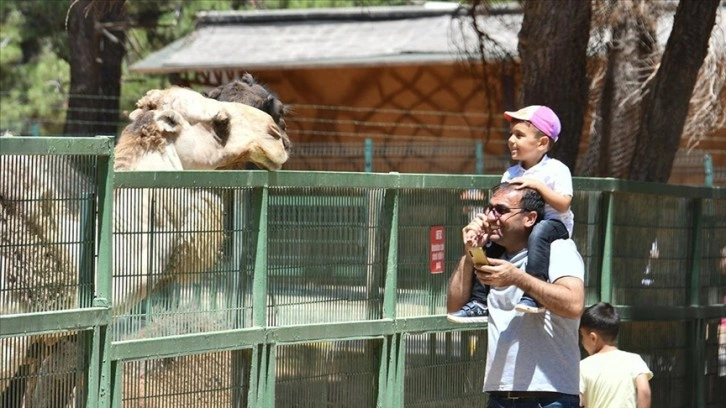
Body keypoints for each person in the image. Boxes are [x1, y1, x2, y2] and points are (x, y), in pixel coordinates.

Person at [447, 182, 585, 407]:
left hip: (548, 396)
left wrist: (518, 278)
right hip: (500, 396)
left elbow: (574, 304)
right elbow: (455, 307)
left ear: (530, 218)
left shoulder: (558, 249)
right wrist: (471, 250)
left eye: (500, 210)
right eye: (489, 209)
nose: (491, 217)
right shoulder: (492, 255)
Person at [448, 105, 574, 323]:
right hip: (524, 228)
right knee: (488, 246)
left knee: (540, 233)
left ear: (543, 143)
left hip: (553, 224)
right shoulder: (511, 172)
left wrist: (538, 186)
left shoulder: (557, 170)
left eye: (519, 135)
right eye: (511, 134)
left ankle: (534, 295)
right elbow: (505, 202)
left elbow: (563, 205)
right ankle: (479, 301)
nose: (511, 140)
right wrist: (473, 248)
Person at [579, 302, 653, 408]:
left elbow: (578, 400)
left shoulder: (583, 366)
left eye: (582, 336)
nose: (581, 341)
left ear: (593, 338)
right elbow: (644, 391)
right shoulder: (634, 360)